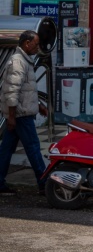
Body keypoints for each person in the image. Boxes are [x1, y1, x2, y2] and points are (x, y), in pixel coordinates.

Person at [0, 31, 47, 195]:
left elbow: (26, 91)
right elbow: (12, 91)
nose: (37, 47)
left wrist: (39, 105)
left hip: (20, 114)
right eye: (35, 44)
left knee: (6, 149)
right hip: (20, 115)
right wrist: (12, 117)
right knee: (33, 147)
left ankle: (0, 183)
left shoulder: (25, 61)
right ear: (27, 43)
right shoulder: (18, 62)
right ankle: (44, 183)